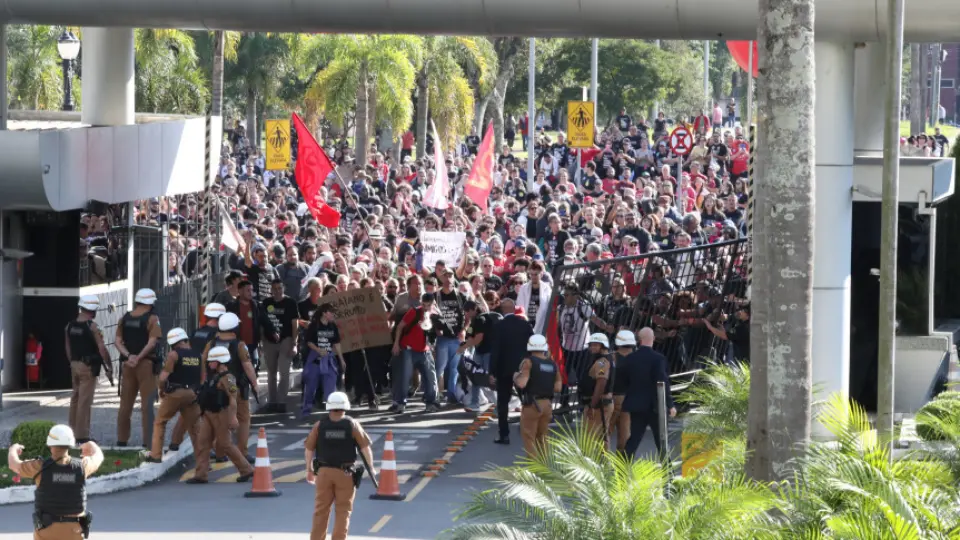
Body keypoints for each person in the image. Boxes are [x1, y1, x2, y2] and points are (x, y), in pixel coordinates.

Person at [7, 425, 103, 540]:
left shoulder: (39, 467)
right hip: (74, 531)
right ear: (70, 444)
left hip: (46, 531)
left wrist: (13, 449)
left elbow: (13, 464)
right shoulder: (83, 466)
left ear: (50, 444)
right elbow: (98, 457)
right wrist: (92, 445)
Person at [304, 391, 377, 540]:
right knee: (343, 511)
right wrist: (371, 468)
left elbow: (309, 449)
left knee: (320, 511)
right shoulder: (352, 424)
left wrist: (309, 469)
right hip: (345, 474)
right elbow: (365, 449)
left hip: (323, 473)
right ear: (345, 407)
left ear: (329, 407)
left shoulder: (320, 425)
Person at [187, 346, 254, 484]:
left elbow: (233, 399)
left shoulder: (228, 378)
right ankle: (201, 474)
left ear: (220, 361)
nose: (209, 363)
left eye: (212, 361)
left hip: (221, 414)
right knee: (202, 442)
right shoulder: (214, 376)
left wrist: (233, 417)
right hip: (208, 414)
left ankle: (246, 469)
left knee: (225, 444)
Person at [169, 302, 226, 454]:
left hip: (192, 374)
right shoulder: (216, 336)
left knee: (190, 411)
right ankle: (211, 448)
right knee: (206, 414)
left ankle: (175, 441)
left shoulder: (196, 332)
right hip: (205, 375)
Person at [203, 312, 260, 463]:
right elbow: (247, 366)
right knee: (243, 419)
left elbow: (203, 365)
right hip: (237, 388)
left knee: (221, 421)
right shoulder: (240, 345)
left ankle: (220, 453)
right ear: (235, 327)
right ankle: (242, 452)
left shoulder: (211, 344)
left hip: (216, 389)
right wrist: (255, 383)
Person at [146, 328, 202, 463]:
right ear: (185, 339)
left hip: (175, 393)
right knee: (195, 429)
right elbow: (201, 378)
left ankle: (156, 455)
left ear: (173, 343)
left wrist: (161, 390)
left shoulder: (173, 355)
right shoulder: (198, 355)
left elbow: (163, 378)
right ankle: (203, 461)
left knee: (160, 421)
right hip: (192, 394)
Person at [115, 288, 163, 447]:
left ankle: (121, 440)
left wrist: (129, 356)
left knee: (125, 406)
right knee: (147, 405)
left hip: (128, 365)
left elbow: (117, 341)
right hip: (146, 365)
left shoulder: (125, 317)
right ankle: (148, 442)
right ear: (150, 303)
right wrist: (139, 357)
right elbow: (152, 342)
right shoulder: (152, 318)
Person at [620, 328, 676, 459]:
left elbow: (624, 381)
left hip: (637, 406)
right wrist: (670, 404)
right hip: (655, 406)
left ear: (639, 340)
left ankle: (621, 472)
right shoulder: (658, 359)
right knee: (662, 442)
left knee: (633, 440)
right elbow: (663, 382)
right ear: (653, 339)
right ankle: (668, 474)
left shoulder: (630, 359)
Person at [64, 295, 113, 445]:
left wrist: (72, 362)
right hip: (88, 367)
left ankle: (71, 432)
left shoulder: (69, 326)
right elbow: (102, 349)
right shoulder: (92, 326)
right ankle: (82, 436)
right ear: (92, 310)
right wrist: (110, 366)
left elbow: (67, 347)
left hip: (74, 365)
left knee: (75, 399)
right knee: (84, 401)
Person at [489, 297, 533, 445]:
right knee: (527, 399)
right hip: (522, 368)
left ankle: (504, 434)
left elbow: (495, 351)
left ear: (502, 310)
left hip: (503, 370)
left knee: (503, 403)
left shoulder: (498, 326)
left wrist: (492, 372)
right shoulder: (525, 325)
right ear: (514, 309)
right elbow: (532, 345)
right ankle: (531, 430)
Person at [390, 293, 441, 414]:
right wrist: (396, 344)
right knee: (405, 376)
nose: (425, 308)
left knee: (430, 376)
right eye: (423, 304)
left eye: (428, 305)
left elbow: (438, 332)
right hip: (409, 349)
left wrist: (436, 323)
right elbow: (400, 327)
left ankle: (431, 402)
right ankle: (400, 403)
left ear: (433, 304)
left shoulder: (435, 314)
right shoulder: (414, 312)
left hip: (425, 349)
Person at [513, 334, 561, 456]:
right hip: (547, 405)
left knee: (529, 437)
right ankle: (544, 467)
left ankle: (534, 470)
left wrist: (515, 376)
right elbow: (558, 387)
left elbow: (522, 383)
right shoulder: (552, 364)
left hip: (532, 405)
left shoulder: (528, 362)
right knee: (542, 437)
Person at [302, 303, 347, 417]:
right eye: (331, 312)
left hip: (329, 360)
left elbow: (337, 343)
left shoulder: (333, 326)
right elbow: (308, 341)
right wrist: (318, 349)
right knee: (311, 387)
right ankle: (306, 410)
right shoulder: (314, 325)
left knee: (330, 387)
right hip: (315, 360)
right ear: (324, 313)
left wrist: (341, 359)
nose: (333, 315)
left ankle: (331, 413)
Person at [261, 278, 299, 413]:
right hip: (269, 341)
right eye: (274, 289)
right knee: (271, 372)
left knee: (284, 371)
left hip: (286, 339)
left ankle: (281, 400)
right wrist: (261, 341)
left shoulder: (290, 303)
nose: (277, 291)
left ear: (283, 289)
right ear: (271, 290)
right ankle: (272, 401)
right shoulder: (266, 303)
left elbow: (295, 324)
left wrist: (295, 343)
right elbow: (262, 323)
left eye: (279, 288)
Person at [581, 333, 614, 445]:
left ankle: (599, 462)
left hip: (599, 405)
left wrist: (592, 405)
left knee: (593, 439)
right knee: (599, 438)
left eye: (596, 345)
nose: (592, 348)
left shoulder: (602, 362)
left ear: (603, 346)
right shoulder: (602, 359)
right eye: (591, 345)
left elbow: (601, 383)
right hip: (600, 404)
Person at [608, 330, 635, 452]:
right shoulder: (637, 358)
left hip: (612, 399)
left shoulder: (611, 357)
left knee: (605, 433)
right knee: (625, 435)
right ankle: (623, 467)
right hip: (630, 400)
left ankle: (602, 465)